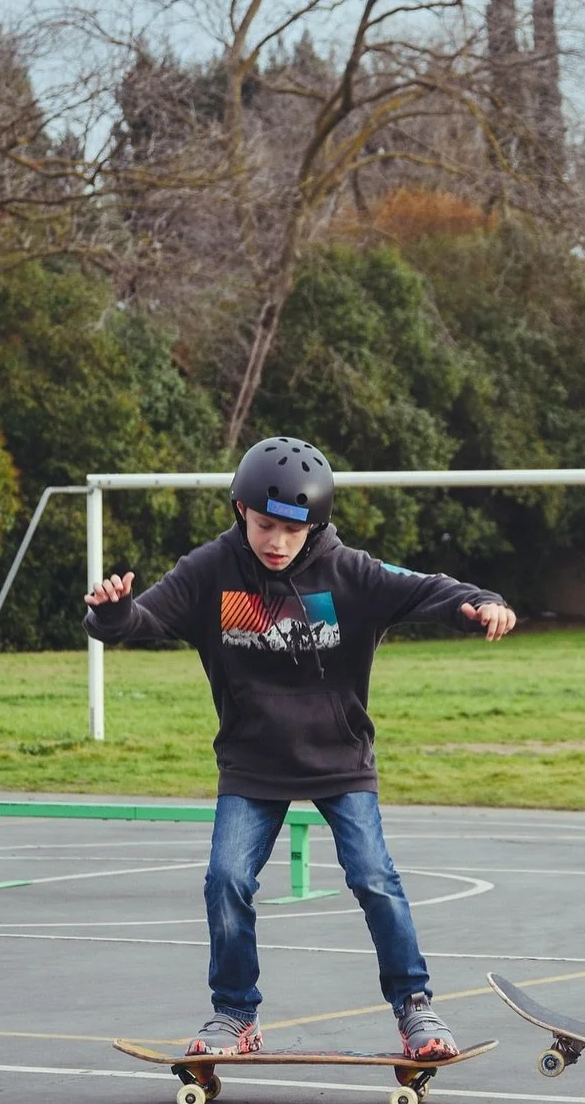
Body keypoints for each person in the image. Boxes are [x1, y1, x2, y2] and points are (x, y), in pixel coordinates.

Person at [82, 436, 516, 1062]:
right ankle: (235, 1015)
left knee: (374, 878)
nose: (277, 543)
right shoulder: (209, 571)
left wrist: (479, 605)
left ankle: (416, 1009)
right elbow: (144, 617)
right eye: (264, 526)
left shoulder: (349, 572)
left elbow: (425, 588)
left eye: (293, 529)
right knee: (226, 879)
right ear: (240, 511)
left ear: (315, 524)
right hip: (253, 762)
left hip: (339, 758)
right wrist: (113, 616)